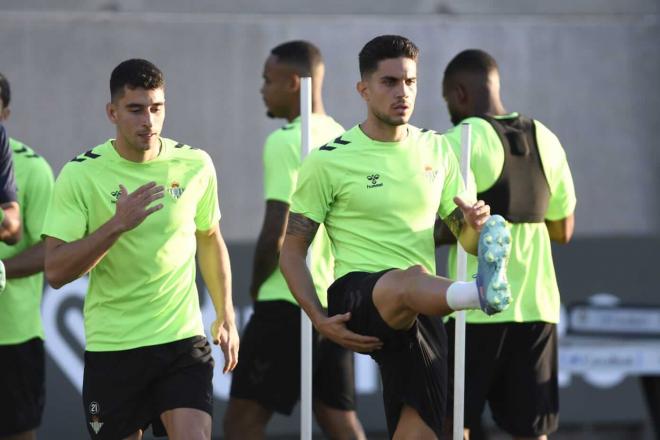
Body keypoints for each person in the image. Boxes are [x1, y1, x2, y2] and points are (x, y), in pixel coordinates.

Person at [279, 35, 513, 440]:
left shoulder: (438, 150)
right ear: (363, 89)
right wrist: (319, 317)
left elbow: (467, 241)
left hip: (424, 307)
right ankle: (477, 295)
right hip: (359, 296)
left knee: (421, 430)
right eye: (389, 82)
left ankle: (473, 291)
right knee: (410, 277)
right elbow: (292, 250)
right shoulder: (329, 159)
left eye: (410, 81)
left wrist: (474, 228)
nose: (402, 92)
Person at [42, 59, 239, 440]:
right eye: (135, 109)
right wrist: (117, 225)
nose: (148, 120)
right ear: (112, 112)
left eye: (156, 108)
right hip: (114, 347)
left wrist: (225, 313)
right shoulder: (80, 174)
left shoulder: (195, 164)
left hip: (181, 340)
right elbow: (56, 270)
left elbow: (210, 237)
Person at [224, 41, 366, 440]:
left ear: (291, 83)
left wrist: (254, 290)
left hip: (285, 301)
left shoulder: (286, 140)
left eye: (267, 80)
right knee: (337, 417)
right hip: (332, 301)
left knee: (242, 424)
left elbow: (276, 228)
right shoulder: (344, 137)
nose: (261, 89)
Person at [439, 49, 577, 440]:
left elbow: (440, 225)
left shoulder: (459, 140)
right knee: (532, 430)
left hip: (473, 306)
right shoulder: (547, 138)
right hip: (536, 307)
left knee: (453, 425)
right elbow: (564, 229)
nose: (449, 108)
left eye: (447, 99)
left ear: (460, 93)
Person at [0, 73, 54, 440]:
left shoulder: (32, 167)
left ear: (5, 113)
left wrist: (1, 269)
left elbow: (51, 249)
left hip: (13, 334)